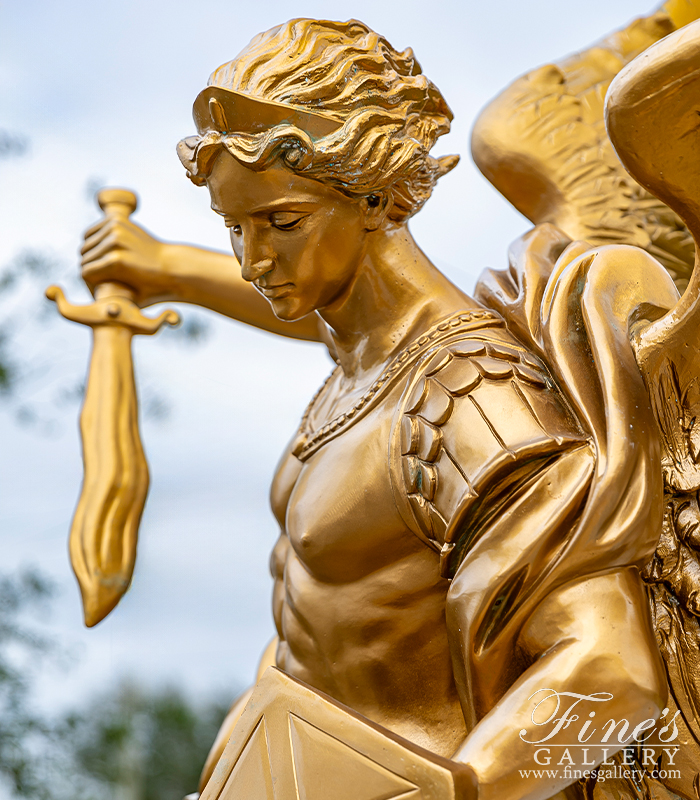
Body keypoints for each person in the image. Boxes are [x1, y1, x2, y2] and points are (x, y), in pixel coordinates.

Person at [79, 18, 676, 800]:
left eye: (281, 223)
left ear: (372, 196)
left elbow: (612, 668)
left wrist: (459, 791)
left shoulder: (469, 395)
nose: (254, 260)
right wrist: (167, 271)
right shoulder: (361, 376)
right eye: (234, 227)